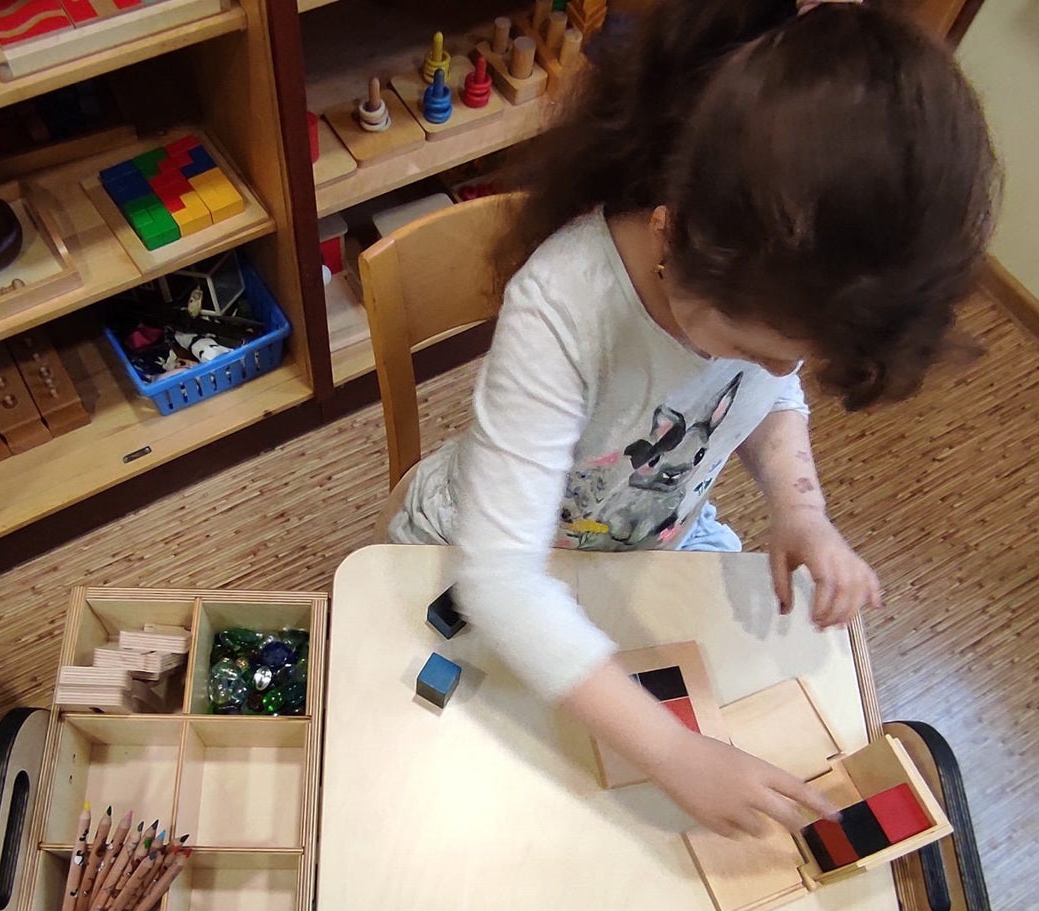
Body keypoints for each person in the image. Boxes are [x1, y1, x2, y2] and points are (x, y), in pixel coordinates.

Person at [386, 0, 998, 838]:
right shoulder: (566, 305)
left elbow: (765, 394)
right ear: (679, 239)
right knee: (477, 789)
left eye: (800, 359)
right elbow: (500, 581)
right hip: (497, 548)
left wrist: (800, 508)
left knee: (752, 708)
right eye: (761, 346)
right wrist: (672, 754)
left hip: (651, 541)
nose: (787, 377)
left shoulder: (760, 297)